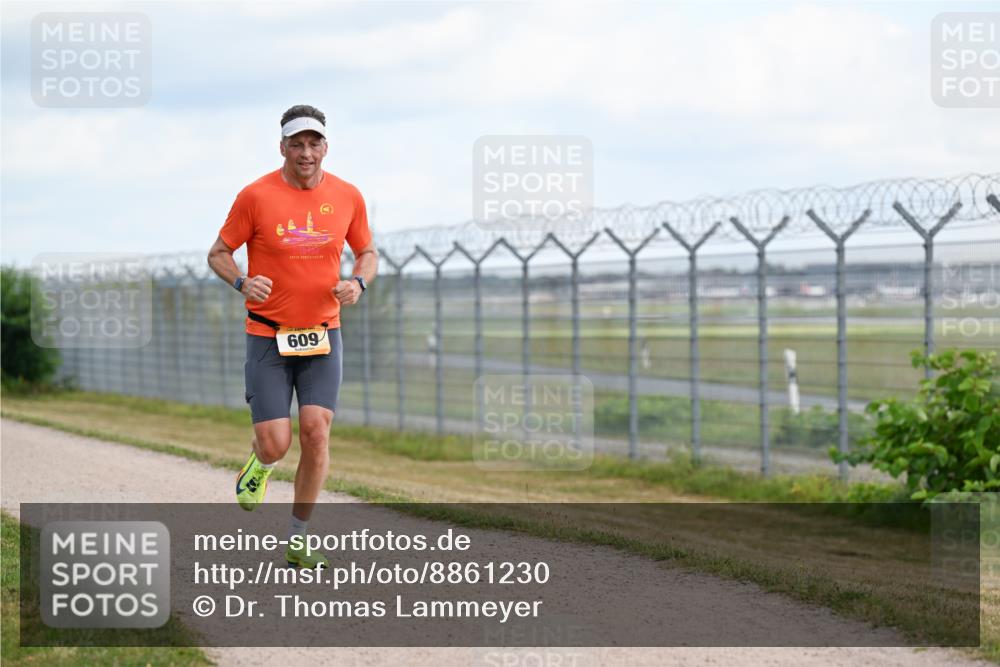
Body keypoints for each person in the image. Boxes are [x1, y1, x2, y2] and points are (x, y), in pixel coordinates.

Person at [207, 104, 378, 568]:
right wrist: (242, 281)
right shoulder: (255, 196)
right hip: (267, 334)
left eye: (314, 142)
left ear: (326, 146)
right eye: (297, 143)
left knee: (316, 432)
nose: (306, 152)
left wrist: (358, 282)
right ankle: (260, 463)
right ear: (281, 146)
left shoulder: (347, 196)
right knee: (277, 442)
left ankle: (299, 539)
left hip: (323, 334)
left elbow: (367, 252)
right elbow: (219, 253)